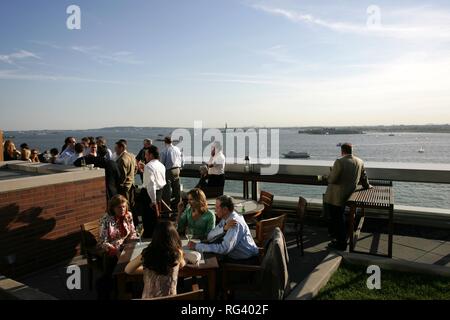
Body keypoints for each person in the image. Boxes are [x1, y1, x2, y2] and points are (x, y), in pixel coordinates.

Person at [324, 143, 372, 251]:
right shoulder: (360, 161)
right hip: (351, 194)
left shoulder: (339, 162)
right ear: (352, 150)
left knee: (337, 218)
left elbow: (332, 180)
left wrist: (328, 176)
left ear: (342, 151)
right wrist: (368, 186)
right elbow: (364, 177)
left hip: (337, 196)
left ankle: (341, 242)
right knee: (340, 217)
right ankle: (340, 238)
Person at [188, 195, 259, 263]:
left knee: (202, 261)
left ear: (225, 209)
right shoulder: (226, 218)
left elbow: (224, 249)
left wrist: (197, 246)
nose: (215, 210)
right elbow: (210, 237)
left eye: (217, 207)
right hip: (235, 256)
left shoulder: (233, 223)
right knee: (201, 255)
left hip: (245, 261)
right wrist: (223, 229)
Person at [125, 221, 186, 299]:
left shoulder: (147, 254)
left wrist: (147, 270)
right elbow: (182, 264)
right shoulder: (177, 253)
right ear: (174, 236)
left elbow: (128, 270)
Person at [97, 195, 138, 299]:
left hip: (125, 246)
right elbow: (103, 241)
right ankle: (109, 290)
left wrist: (132, 245)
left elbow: (132, 233)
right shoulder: (106, 220)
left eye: (124, 207)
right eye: (119, 207)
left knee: (135, 260)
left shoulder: (128, 215)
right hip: (111, 248)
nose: (122, 209)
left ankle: (128, 289)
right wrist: (116, 251)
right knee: (113, 264)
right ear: (113, 208)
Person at [139, 145, 166, 238]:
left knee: (148, 220)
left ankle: (149, 237)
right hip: (159, 193)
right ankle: (157, 236)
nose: (145, 156)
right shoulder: (161, 165)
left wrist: (153, 201)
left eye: (146, 154)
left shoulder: (149, 166)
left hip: (149, 196)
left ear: (151, 155)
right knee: (156, 219)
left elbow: (151, 185)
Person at [160, 136, 183, 208]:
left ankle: (167, 207)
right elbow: (182, 159)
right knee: (176, 188)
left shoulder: (164, 150)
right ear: (171, 141)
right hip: (177, 169)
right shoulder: (177, 149)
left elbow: (162, 163)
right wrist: (180, 167)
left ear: (165, 142)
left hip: (169, 170)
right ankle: (177, 206)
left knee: (167, 190)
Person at [115, 140, 136, 207]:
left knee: (125, 205)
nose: (115, 151)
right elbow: (135, 169)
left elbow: (122, 175)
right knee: (132, 204)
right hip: (132, 184)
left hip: (125, 187)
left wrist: (119, 185)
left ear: (121, 148)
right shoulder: (132, 156)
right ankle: (133, 217)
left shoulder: (122, 159)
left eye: (116, 148)